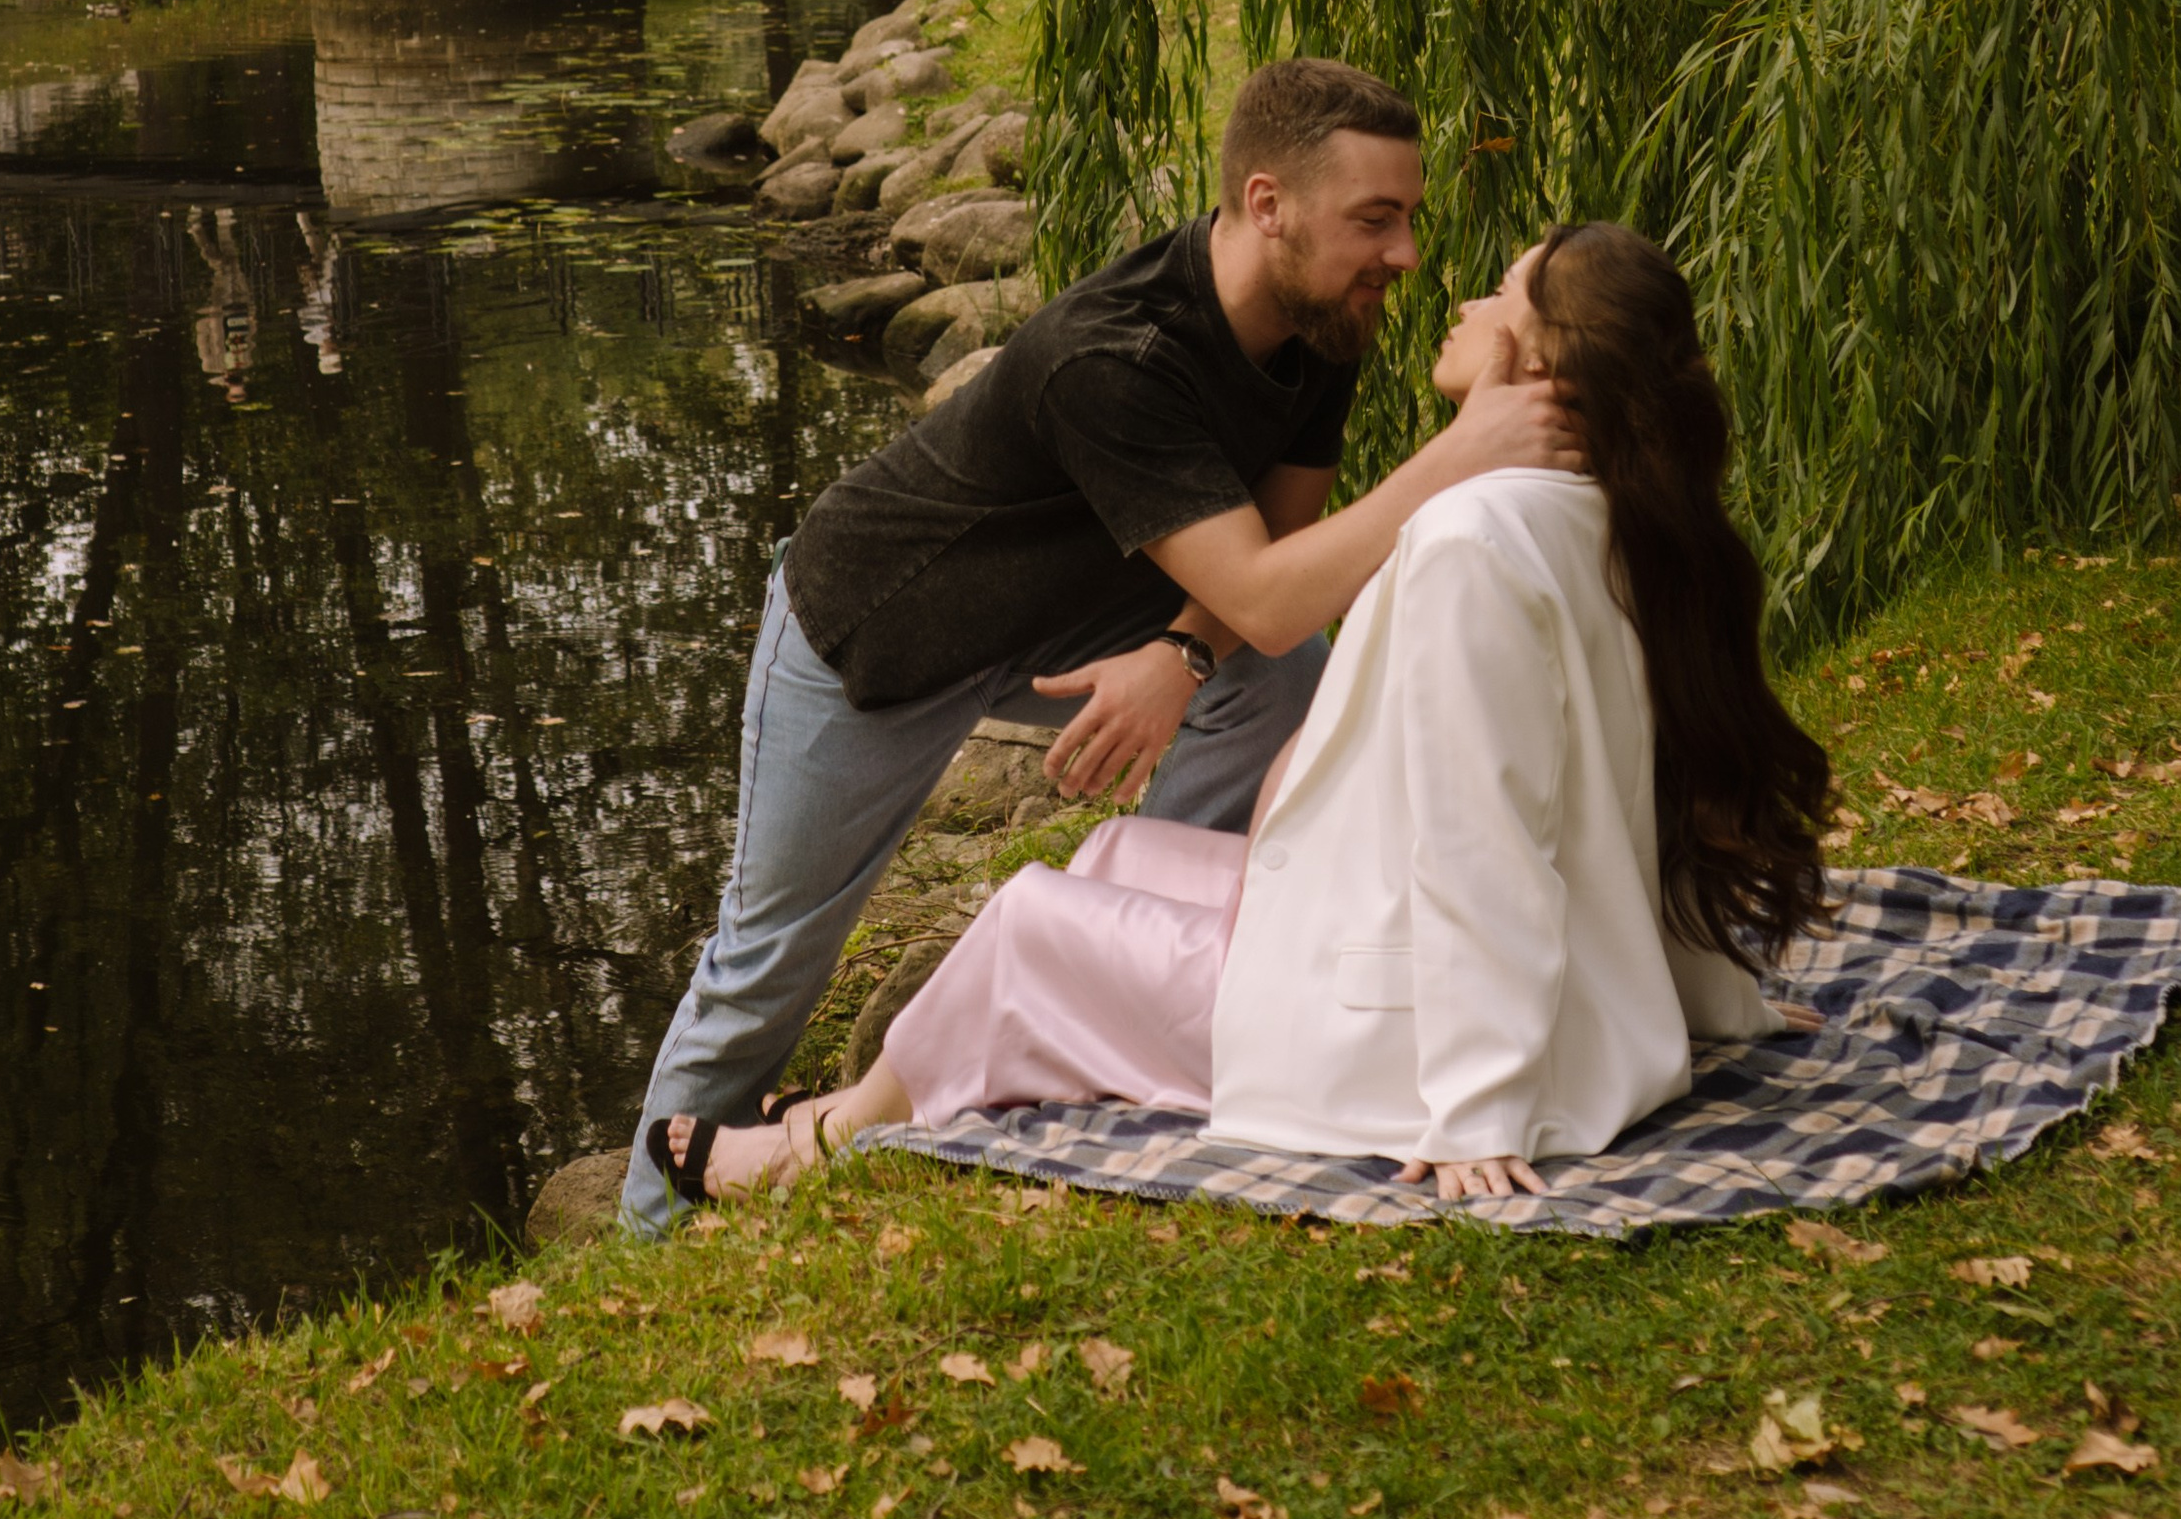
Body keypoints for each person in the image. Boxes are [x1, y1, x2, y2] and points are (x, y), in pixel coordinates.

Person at [659, 221, 1829, 1206]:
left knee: (1029, 922)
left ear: (1542, 363)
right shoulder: (1611, 507)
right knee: (1113, 848)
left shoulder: (1474, 542)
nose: (1459, 293)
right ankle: (847, 1108)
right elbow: (1657, 783)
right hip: (1451, 958)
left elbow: (1489, 836)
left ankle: (813, 1146)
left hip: (1406, 1033)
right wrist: (1706, 1000)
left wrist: (1476, 1108)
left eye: (1503, 292)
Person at [624, 56, 1574, 1232]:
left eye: (1407, 220)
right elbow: (1270, 591)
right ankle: (643, 1243)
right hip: (875, 634)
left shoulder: (1320, 322)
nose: (1406, 257)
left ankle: (1140, 993)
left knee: (1275, 673)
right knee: (765, 963)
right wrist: (1460, 454)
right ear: (1268, 203)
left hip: (1071, 616)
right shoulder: (1116, 356)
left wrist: (1175, 654)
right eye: (1374, 220)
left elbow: (1276, 549)